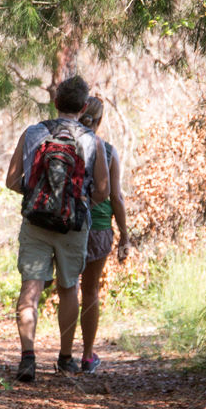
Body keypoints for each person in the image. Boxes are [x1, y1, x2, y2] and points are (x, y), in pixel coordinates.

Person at [6, 75, 109, 382]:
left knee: (31, 288)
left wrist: (39, 196)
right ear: (83, 106)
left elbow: (11, 181)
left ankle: (28, 357)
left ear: (55, 102)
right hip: (73, 226)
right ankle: (65, 359)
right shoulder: (93, 142)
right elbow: (102, 192)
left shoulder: (33, 132)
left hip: (35, 223)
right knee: (69, 288)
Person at [77, 96, 130, 373]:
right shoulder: (108, 151)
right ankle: (87, 356)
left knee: (67, 289)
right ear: (99, 120)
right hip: (98, 228)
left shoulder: (66, 146)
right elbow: (116, 197)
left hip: (67, 226)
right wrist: (125, 236)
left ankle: (65, 355)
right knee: (90, 291)